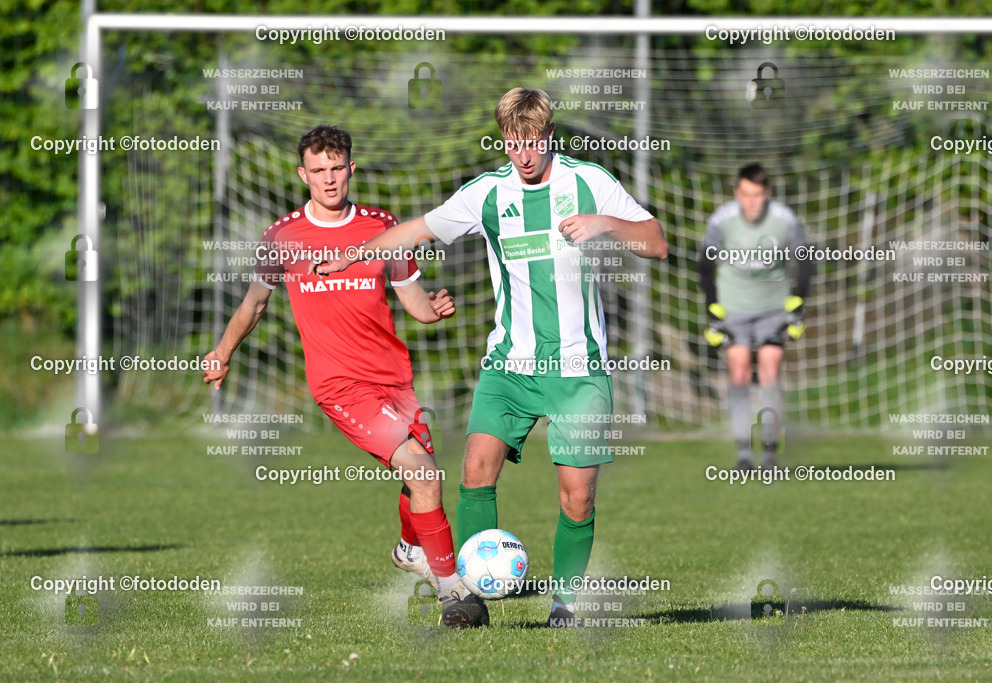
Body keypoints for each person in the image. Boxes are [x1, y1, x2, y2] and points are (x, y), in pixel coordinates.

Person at [312, 88, 668, 627]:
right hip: (508, 366)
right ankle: (473, 598)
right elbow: (415, 231)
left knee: (577, 499)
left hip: (579, 370)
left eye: (532, 143)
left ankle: (565, 606)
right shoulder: (487, 193)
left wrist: (606, 225)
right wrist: (351, 256)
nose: (522, 155)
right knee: (476, 469)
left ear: (549, 136)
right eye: (512, 144)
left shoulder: (589, 182)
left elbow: (657, 241)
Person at [202, 124, 487, 628]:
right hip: (339, 385)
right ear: (302, 174)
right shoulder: (283, 237)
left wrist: (434, 310)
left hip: (395, 380)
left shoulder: (383, 228)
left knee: (421, 477)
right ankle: (453, 595)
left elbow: (413, 302)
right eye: (318, 171)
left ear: (351, 169)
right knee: (423, 474)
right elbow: (253, 304)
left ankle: (407, 549)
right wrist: (222, 352)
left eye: (337, 169)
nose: (329, 180)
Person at [699, 163, 814, 471]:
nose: (751, 202)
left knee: (769, 372)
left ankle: (770, 452)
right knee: (737, 373)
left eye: (758, 195)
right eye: (746, 195)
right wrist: (712, 306)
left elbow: (805, 261)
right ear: (737, 193)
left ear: (768, 194)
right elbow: (705, 265)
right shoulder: (722, 220)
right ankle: (743, 454)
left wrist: (798, 304)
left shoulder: (785, 220)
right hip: (733, 306)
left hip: (773, 308)